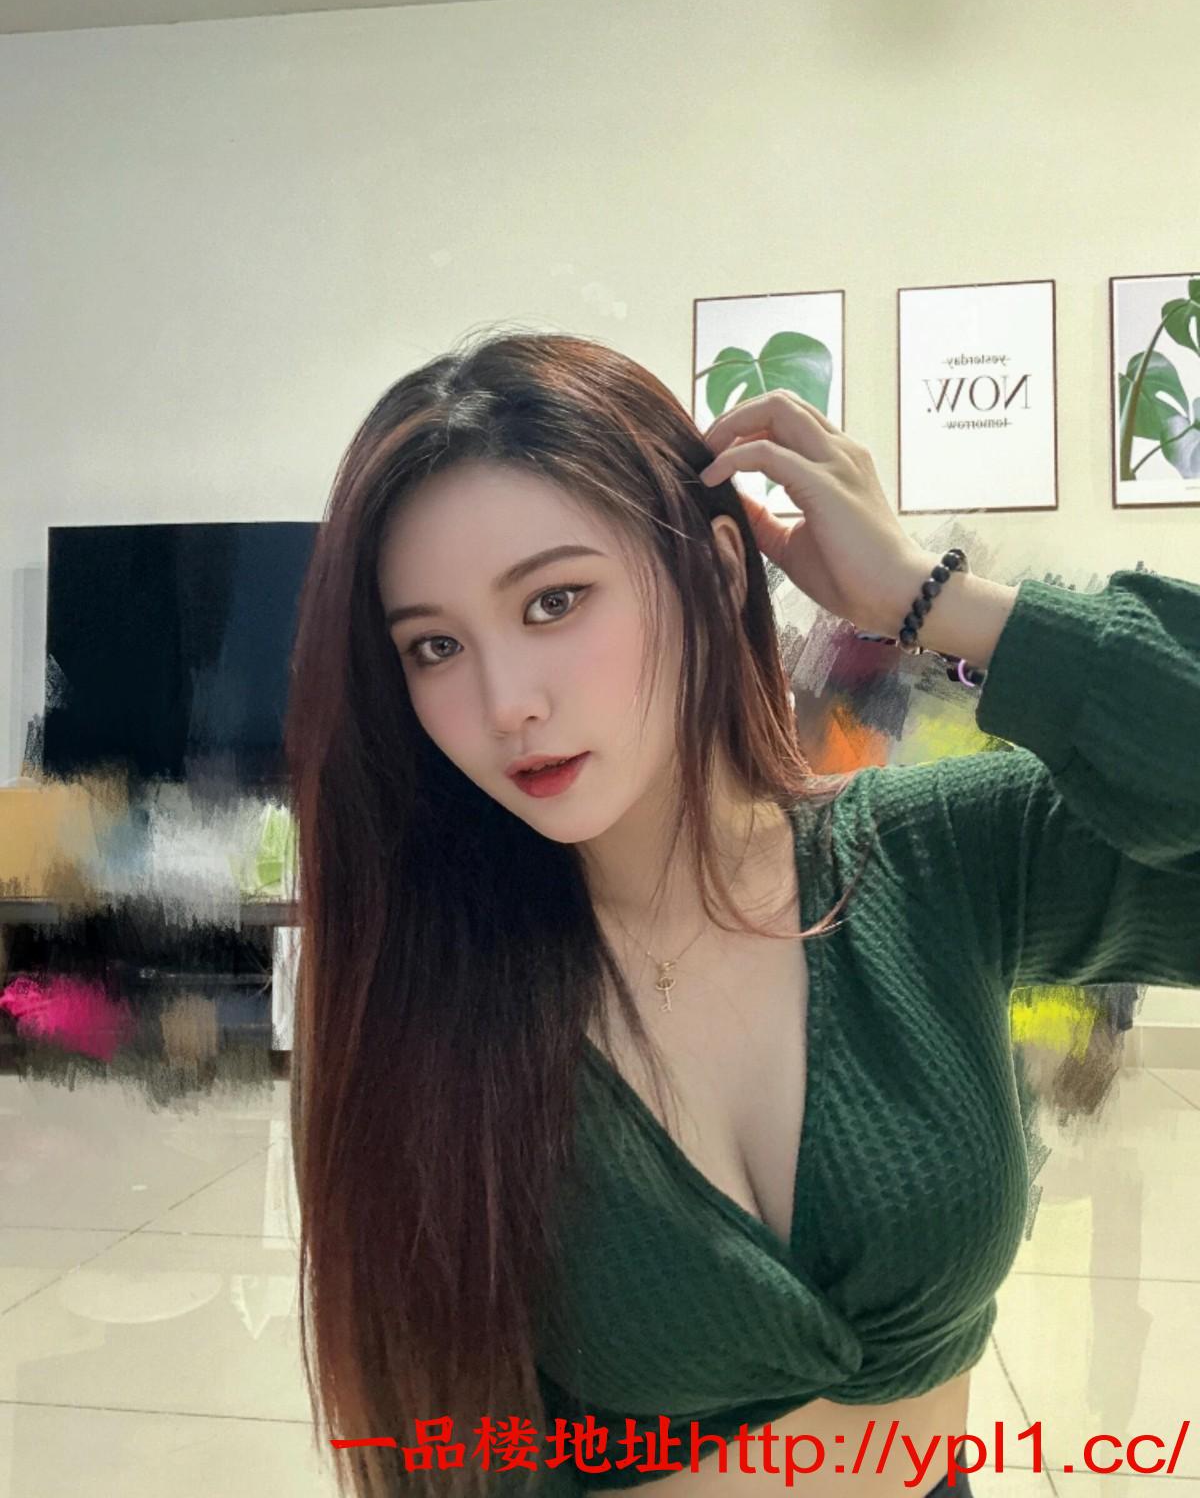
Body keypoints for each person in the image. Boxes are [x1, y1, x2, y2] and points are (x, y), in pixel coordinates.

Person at [285, 326, 1200, 1498]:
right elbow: (448, 1449)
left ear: (718, 573)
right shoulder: (433, 994)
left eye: (555, 600)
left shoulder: (933, 860)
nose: (506, 701)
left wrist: (934, 599)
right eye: (435, 646)